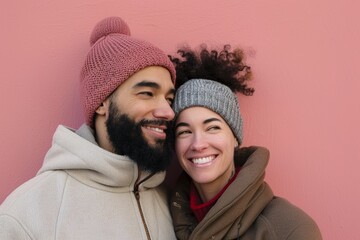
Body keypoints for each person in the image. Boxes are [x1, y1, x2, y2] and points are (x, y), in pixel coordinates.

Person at [0, 16, 177, 239]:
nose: (168, 112)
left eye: (169, 98)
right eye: (147, 94)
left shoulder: (170, 201)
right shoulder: (27, 214)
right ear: (102, 102)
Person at [168, 45, 322, 239]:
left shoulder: (290, 229)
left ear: (234, 137)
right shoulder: (164, 216)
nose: (198, 144)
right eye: (185, 131)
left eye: (212, 128)